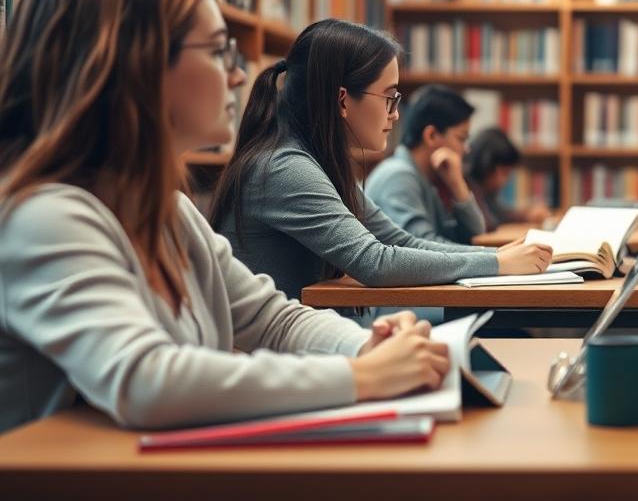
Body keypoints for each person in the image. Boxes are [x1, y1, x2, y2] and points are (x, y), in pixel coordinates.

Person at [0, 0, 455, 432]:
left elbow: (272, 318)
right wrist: (359, 376)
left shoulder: (169, 210)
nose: (238, 75)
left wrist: (366, 346)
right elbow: (145, 380)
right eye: (219, 52)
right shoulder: (42, 218)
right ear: (140, 65)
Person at [209, 19, 551, 304]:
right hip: (281, 361)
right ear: (343, 101)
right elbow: (375, 262)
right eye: (389, 97)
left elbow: (401, 242)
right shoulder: (284, 167)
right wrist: (496, 263)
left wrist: (499, 258)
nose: (396, 113)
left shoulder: (319, 164)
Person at [365, 85, 487, 242]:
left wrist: (458, 185)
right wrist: (494, 256)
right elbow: (423, 248)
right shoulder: (398, 177)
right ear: (431, 136)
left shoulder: (421, 177)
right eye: (461, 138)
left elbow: (474, 236)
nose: (466, 149)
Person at [464, 127, 551, 232]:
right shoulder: (467, 187)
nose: (507, 180)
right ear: (486, 165)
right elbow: (489, 223)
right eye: (505, 172)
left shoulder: (487, 191)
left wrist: (525, 215)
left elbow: (499, 213)